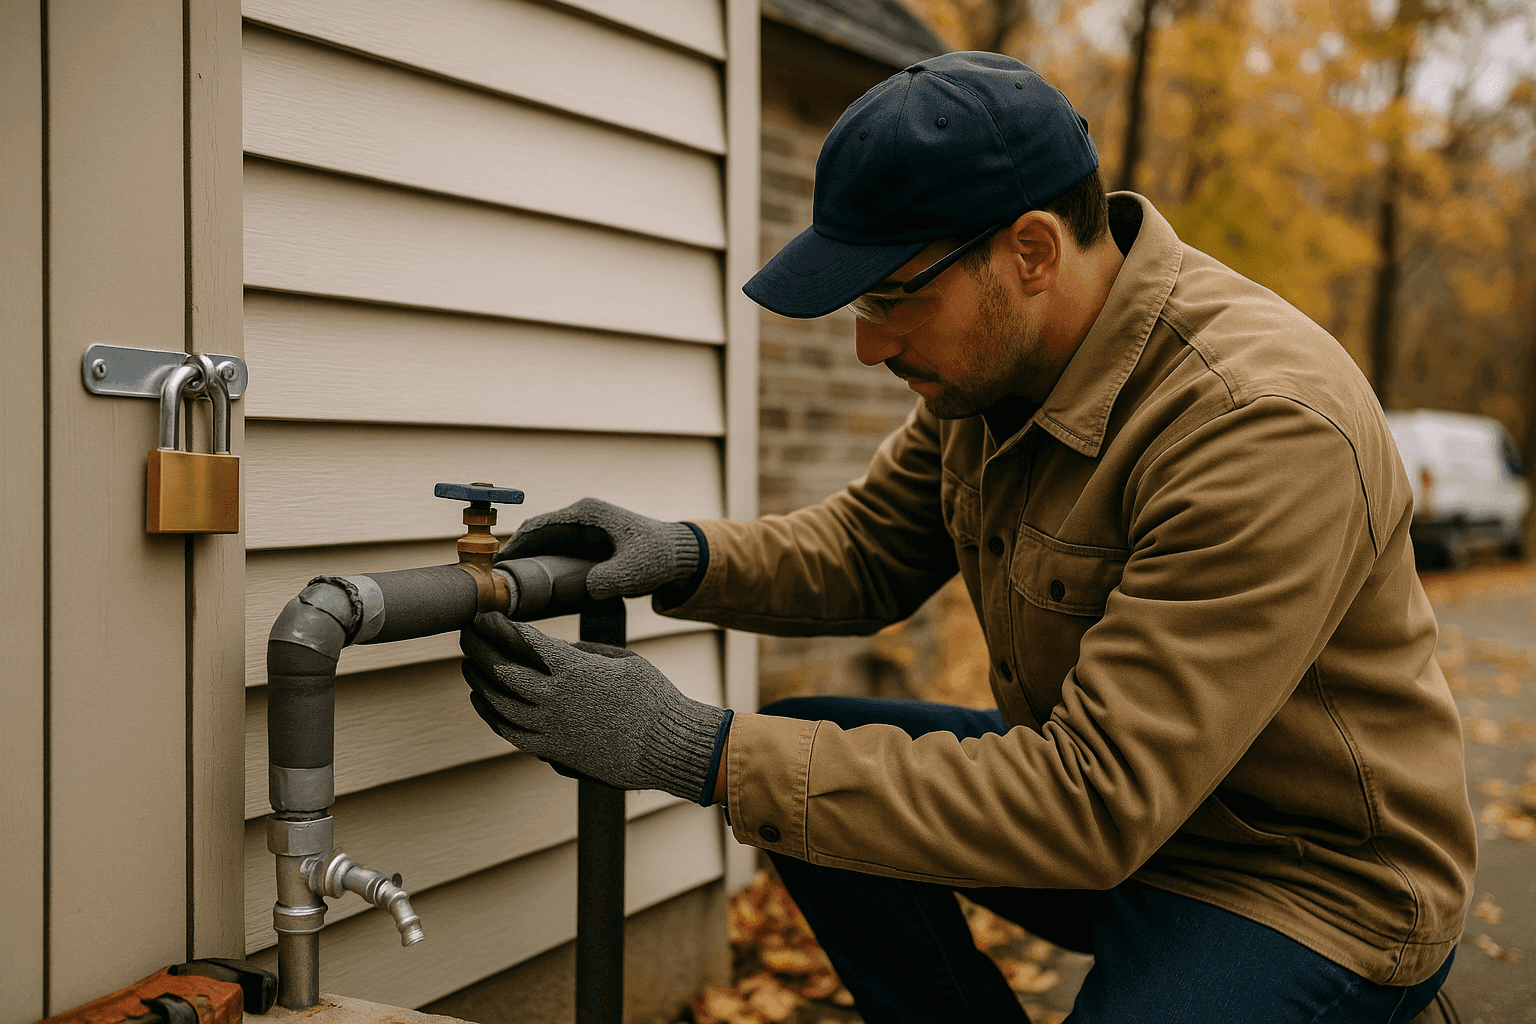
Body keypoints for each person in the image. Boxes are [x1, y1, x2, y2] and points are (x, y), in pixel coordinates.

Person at [458, 52, 1475, 1022]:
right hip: (1122, 817)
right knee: (807, 751)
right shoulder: (993, 374)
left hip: (1302, 879)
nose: (869, 347)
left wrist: (691, 748)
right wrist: (681, 553)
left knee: (776, 769)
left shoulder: (1255, 424)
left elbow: (1093, 799)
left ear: (1031, 252)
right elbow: (866, 549)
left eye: (892, 298)